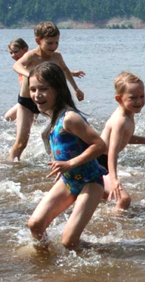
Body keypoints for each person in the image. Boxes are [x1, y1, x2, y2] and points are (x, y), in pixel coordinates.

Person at [26, 62, 106, 250]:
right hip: (69, 180)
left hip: (90, 181)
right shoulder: (52, 117)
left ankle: (103, 255)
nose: (37, 95)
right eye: (33, 89)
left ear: (59, 89)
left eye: (44, 89)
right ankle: (45, 259)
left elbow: (100, 145)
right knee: (35, 225)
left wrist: (70, 163)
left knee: (68, 241)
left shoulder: (70, 118)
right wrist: (63, 168)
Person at [10, 21, 85, 161]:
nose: (54, 46)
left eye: (57, 42)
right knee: (21, 143)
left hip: (48, 100)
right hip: (27, 101)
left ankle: (56, 153)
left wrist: (76, 88)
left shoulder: (56, 56)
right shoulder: (32, 56)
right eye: (49, 43)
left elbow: (64, 70)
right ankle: (11, 165)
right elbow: (16, 65)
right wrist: (30, 75)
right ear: (38, 41)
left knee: (62, 127)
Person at [99, 71, 145, 210]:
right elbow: (112, 151)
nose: (139, 101)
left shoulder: (127, 113)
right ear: (119, 99)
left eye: (142, 96)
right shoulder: (120, 120)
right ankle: (115, 222)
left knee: (101, 200)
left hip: (103, 161)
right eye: (133, 98)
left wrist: (144, 140)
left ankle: (102, 219)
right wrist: (114, 179)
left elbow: (123, 138)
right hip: (97, 163)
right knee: (124, 199)